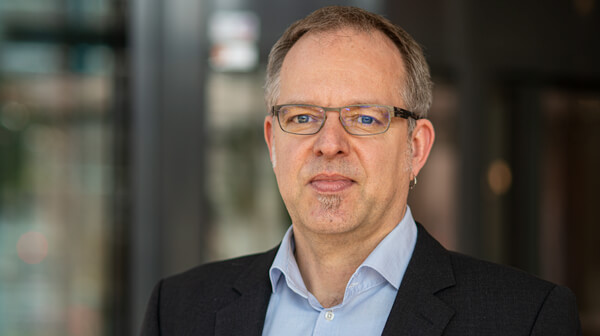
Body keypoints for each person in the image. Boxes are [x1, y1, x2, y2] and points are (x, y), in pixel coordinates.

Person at [141, 6, 581, 335]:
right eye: (302, 117)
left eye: (365, 118)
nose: (329, 144)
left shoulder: (525, 320)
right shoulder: (179, 310)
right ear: (273, 143)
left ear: (417, 147)